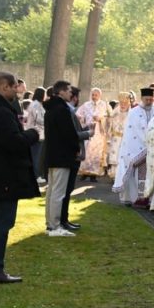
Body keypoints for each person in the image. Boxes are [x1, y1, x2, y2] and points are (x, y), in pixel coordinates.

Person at [0, 71, 40, 283]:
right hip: (3, 178)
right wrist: (31, 135)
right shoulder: (2, 112)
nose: (17, 90)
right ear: (4, 87)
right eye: (14, 87)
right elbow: (13, 142)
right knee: (2, 224)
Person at [43, 81, 84, 237]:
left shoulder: (51, 108)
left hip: (53, 155)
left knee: (52, 191)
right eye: (68, 90)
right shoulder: (62, 110)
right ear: (61, 92)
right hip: (62, 156)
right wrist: (75, 148)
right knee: (58, 192)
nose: (70, 93)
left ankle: (51, 223)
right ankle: (54, 225)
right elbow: (69, 134)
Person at [112, 88, 154, 207]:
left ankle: (145, 198)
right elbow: (134, 131)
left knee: (148, 175)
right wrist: (147, 144)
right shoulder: (134, 112)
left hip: (152, 150)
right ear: (142, 99)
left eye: (151, 99)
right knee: (134, 174)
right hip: (135, 148)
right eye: (147, 99)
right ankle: (132, 198)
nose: (149, 101)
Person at [60, 86, 91, 231]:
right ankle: (62, 219)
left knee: (68, 189)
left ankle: (64, 218)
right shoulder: (68, 111)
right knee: (65, 190)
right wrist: (88, 133)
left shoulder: (69, 111)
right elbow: (72, 134)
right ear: (75, 98)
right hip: (71, 155)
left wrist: (85, 130)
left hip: (71, 154)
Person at [76, 87, 110, 181]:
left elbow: (109, 117)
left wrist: (101, 119)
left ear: (100, 95)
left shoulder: (104, 105)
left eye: (96, 95)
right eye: (93, 95)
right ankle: (84, 172)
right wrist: (83, 119)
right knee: (87, 151)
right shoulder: (86, 105)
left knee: (96, 153)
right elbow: (78, 114)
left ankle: (93, 174)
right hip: (88, 131)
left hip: (99, 132)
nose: (94, 97)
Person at [24, 87, 46, 185]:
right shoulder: (36, 105)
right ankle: (36, 176)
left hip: (35, 132)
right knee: (36, 156)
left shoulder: (34, 104)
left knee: (34, 155)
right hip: (37, 132)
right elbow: (38, 119)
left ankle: (33, 176)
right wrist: (48, 121)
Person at [106, 92, 131, 179]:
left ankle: (123, 176)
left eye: (125, 103)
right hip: (116, 138)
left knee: (123, 157)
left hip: (126, 139)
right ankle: (114, 175)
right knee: (115, 157)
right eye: (121, 103)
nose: (123, 105)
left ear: (128, 104)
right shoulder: (114, 113)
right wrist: (109, 120)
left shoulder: (131, 114)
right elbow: (108, 125)